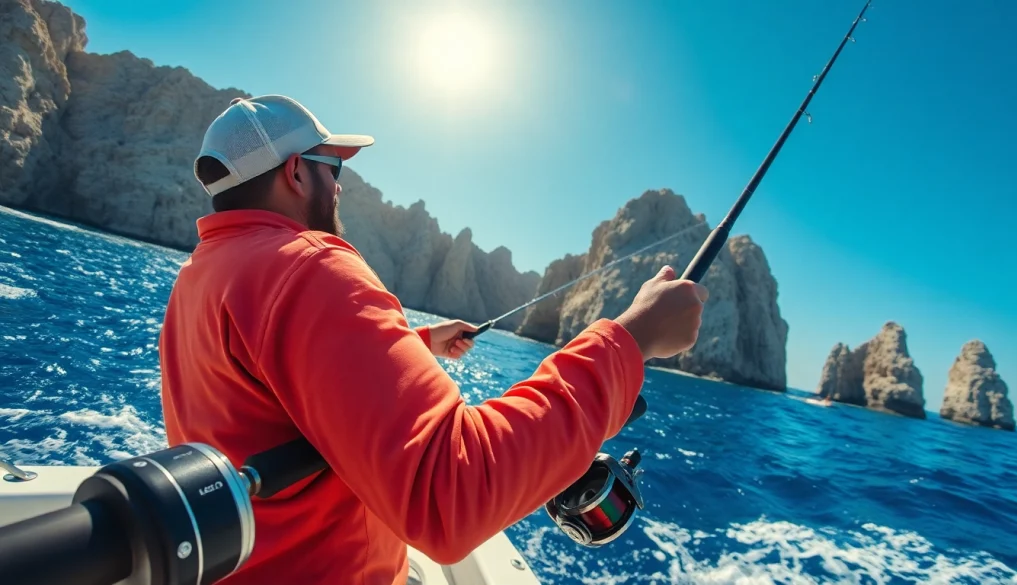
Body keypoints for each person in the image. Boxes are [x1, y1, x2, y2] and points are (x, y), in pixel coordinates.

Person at [158, 94, 709, 585]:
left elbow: (278, 384)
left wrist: (418, 341)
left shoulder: (201, 277)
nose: (340, 184)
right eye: (332, 166)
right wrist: (631, 342)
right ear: (298, 172)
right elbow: (448, 495)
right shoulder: (309, 266)